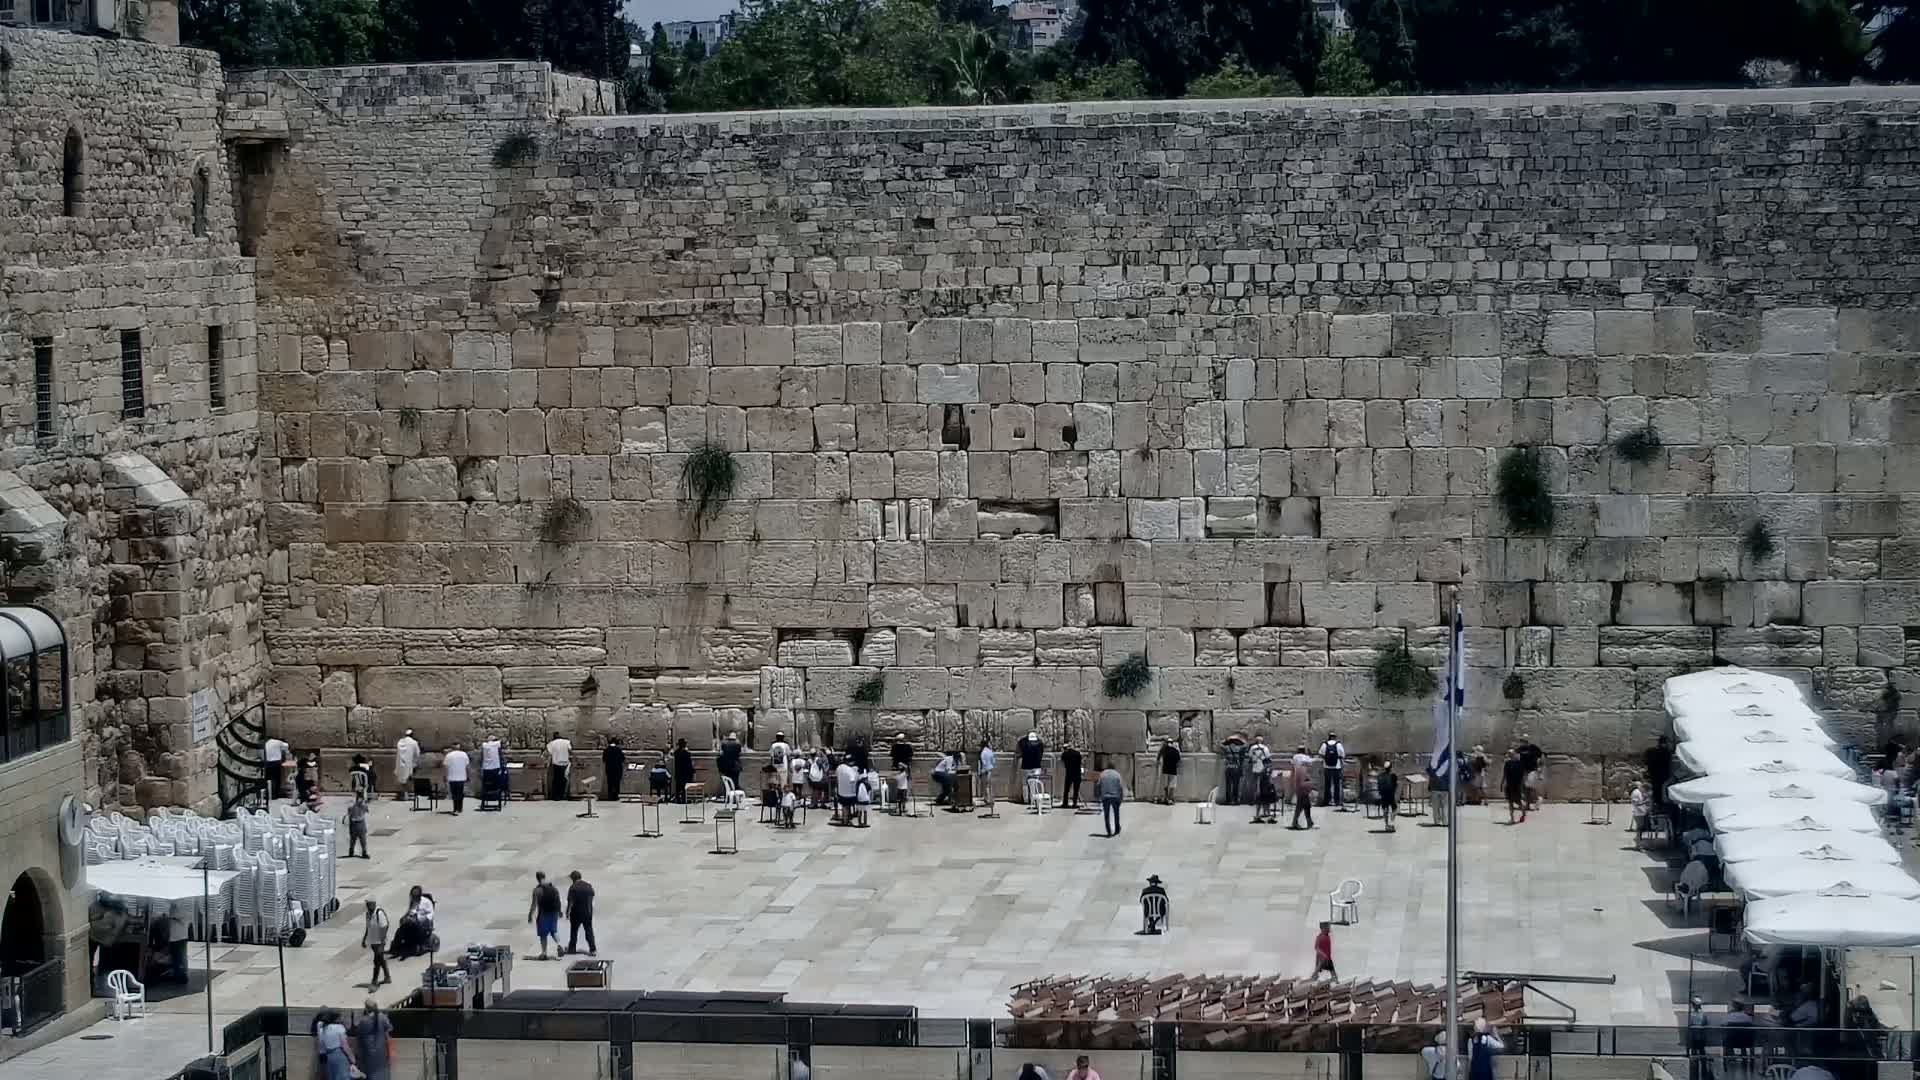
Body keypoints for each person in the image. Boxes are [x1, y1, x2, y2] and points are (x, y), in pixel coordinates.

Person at [352, 999, 394, 1080]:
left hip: (368, 1054)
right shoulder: (382, 1018)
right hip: (382, 1052)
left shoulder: (363, 1021)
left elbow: (358, 1036)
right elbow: (390, 1029)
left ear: (366, 1008)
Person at [528, 871, 562, 960]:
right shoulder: (553, 888)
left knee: (543, 935)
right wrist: (560, 911)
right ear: (544, 877)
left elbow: (534, 905)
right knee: (554, 931)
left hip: (543, 914)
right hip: (554, 913)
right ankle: (560, 945)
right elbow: (558, 901)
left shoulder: (537, 890)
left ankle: (544, 953)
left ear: (537, 878)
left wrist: (530, 915)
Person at [565, 870, 597, 956]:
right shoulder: (588, 886)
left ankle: (572, 949)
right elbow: (591, 899)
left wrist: (567, 912)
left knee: (574, 931)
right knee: (589, 931)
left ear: (573, 878)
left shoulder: (573, 888)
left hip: (576, 913)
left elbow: (570, 902)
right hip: (587, 912)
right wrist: (590, 911)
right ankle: (593, 949)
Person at [315, 1010, 352, 1080]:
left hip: (329, 1055)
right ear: (336, 1018)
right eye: (341, 1017)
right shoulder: (339, 1028)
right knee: (343, 1076)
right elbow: (345, 1045)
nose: (342, 1019)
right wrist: (352, 1058)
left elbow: (321, 1042)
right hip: (339, 1054)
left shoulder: (322, 1027)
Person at [362, 898, 391, 987]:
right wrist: (364, 939)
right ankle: (387, 977)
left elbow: (385, 927)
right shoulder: (367, 914)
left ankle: (374, 981)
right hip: (373, 942)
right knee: (381, 960)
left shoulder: (379, 913)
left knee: (376, 961)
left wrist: (382, 942)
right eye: (367, 904)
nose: (368, 906)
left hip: (380, 942)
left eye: (370, 904)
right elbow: (368, 927)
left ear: (374, 904)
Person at [1097, 763, 1125, 837]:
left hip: (1105, 797)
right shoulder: (1117, 774)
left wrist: (1099, 795)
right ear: (1114, 767)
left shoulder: (1102, 774)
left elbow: (1098, 785)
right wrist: (1121, 797)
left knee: (1106, 815)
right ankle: (1117, 829)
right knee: (1116, 814)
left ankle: (1109, 832)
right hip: (1115, 797)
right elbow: (1121, 787)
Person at [1017, 730, 1046, 803]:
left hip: (1025, 767)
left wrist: (1026, 736)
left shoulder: (1024, 744)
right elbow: (1042, 742)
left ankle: (1026, 800)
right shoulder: (1039, 744)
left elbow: (1020, 741)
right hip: (1036, 767)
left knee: (1025, 784)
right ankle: (1033, 799)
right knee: (1034, 784)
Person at [1646, 735, 1674, 807]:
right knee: (1661, 789)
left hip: (1654, 774)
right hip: (1663, 774)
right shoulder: (1667, 752)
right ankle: (1660, 804)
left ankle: (1657, 803)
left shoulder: (1651, 751)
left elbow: (1648, 761)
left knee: (1656, 789)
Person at [1319, 732, 1346, 807]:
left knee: (1327, 784)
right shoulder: (1338, 744)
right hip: (1337, 767)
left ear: (1329, 737)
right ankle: (1337, 801)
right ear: (1335, 737)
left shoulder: (1324, 744)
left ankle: (1327, 801)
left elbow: (1320, 753)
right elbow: (1342, 755)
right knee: (1337, 784)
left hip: (1327, 767)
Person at [1220, 734, 1247, 806]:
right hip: (1236, 768)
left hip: (1228, 768)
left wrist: (1227, 739)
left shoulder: (1226, 748)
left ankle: (1228, 800)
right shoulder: (1239, 748)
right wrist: (1239, 738)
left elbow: (1220, 744)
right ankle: (1235, 800)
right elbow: (1245, 744)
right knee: (1236, 785)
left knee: (1228, 785)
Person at [443, 741, 470, 813]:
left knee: (454, 793)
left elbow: (446, 767)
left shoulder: (448, 755)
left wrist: (445, 776)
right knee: (460, 793)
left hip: (452, 777)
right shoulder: (464, 754)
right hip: (462, 777)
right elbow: (467, 766)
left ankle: (455, 808)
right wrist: (468, 775)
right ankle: (460, 808)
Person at [1503, 747, 1527, 825]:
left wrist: (1522, 785)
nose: (1509, 755)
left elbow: (1523, 775)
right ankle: (1512, 818)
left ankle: (1523, 814)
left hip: (1516, 786)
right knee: (1510, 803)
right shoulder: (1507, 763)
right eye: (1509, 753)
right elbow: (1505, 775)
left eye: (1510, 753)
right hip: (1509, 786)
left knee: (1519, 802)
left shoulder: (1520, 764)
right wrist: (1503, 784)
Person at [545, 730, 572, 800]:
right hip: (565, 763)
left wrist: (547, 763)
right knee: (564, 780)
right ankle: (563, 795)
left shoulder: (551, 743)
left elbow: (548, 754)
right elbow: (570, 750)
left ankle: (556, 796)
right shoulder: (567, 742)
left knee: (556, 780)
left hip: (556, 763)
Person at [1516, 741, 1544, 809]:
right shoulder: (1521, 748)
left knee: (1529, 787)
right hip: (1524, 770)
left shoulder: (1533, 747)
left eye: (1523, 741)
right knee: (1524, 788)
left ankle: (1537, 799)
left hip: (1532, 770)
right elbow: (1516, 755)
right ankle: (1528, 804)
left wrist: (1540, 769)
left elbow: (1541, 757)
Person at [394, 729, 420, 801]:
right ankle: (410, 794)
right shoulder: (414, 742)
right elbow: (417, 753)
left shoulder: (400, 742)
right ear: (412, 735)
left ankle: (405, 794)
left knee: (402, 779)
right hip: (410, 764)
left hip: (400, 764)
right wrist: (416, 762)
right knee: (410, 779)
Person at [1290, 755, 1314, 829]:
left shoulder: (1299, 769)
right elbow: (1303, 782)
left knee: (1301, 806)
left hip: (1301, 790)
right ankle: (1308, 822)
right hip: (1303, 790)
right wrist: (1310, 788)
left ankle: (1297, 822)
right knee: (1306, 806)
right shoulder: (1302, 770)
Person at [834, 755, 860, 824]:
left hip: (841, 794)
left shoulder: (839, 768)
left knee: (844, 804)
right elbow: (853, 781)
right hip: (852, 796)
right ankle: (856, 813)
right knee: (859, 794)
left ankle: (845, 819)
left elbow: (837, 780)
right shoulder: (852, 770)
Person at [263, 734, 290, 800]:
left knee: (268, 779)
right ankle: (276, 794)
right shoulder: (278, 742)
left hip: (267, 763)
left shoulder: (266, 743)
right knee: (276, 779)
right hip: (276, 762)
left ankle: (268, 794)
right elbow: (287, 746)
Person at [480, 734, 505, 802]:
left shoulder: (484, 745)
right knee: (498, 782)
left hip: (486, 768)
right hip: (495, 767)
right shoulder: (496, 744)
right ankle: (497, 794)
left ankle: (487, 795)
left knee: (487, 783)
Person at [1254, 758, 1280, 823]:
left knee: (1266, 802)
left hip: (1267, 788)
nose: (1269, 764)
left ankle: (1267, 816)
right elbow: (1259, 780)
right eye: (1268, 763)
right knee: (1260, 802)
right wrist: (1258, 789)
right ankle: (1258, 816)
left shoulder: (1268, 770)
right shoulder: (1263, 771)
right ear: (1265, 764)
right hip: (1263, 788)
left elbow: (1271, 779)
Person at [345, 792, 370, 858]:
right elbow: (349, 812)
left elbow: (367, 811)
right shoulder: (352, 806)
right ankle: (351, 851)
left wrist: (363, 805)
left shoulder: (363, 806)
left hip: (361, 823)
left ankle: (364, 852)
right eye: (359, 799)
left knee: (363, 839)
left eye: (361, 799)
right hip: (354, 823)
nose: (360, 800)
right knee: (353, 839)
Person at [1248, 737, 1272, 805]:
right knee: (1262, 784)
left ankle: (1253, 799)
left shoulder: (1252, 747)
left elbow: (1250, 756)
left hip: (1255, 767)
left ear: (1256, 741)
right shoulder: (1265, 748)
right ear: (1262, 741)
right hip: (1263, 768)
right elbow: (1267, 757)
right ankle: (1261, 799)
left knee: (1254, 784)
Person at [1428, 759, 1452, 824]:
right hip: (1445, 788)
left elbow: (1431, 775)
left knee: (1435, 806)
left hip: (1435, 787)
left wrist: (1429, 786)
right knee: (1445, 806)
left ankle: (1436, 821)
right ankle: (1445, 821)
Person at [1377, 760, 1399, 832]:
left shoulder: (1380, 776)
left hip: (1383, 795)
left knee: (1385, 810)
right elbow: (1396, 786)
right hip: (1391, 795)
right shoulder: (1393, 776)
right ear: (1391, 768)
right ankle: (1391, 822)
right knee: (1395, 809)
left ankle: (1387, 825)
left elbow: (1379, 786)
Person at [1060, 742, 1084, 809]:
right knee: (1076, 790)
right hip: (1077, 773)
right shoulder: (1077, 753)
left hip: (1069, 773)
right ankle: (1074, 803)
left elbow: (1063, 762)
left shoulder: (1064, 754)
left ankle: (1065, 803)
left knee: (1066, 789)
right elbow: (1080, 762)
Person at [1157, 739, 1181, 803]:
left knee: (1165, 785)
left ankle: (1166, 797)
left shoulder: (1164, 749)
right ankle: (1171, 798)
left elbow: (1159, 756)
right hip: (1173, 770)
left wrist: (1158, 761)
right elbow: (1178, 761)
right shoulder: (1176, 750)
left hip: (1165, 770)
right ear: (1172, 743)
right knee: (1172, 785)